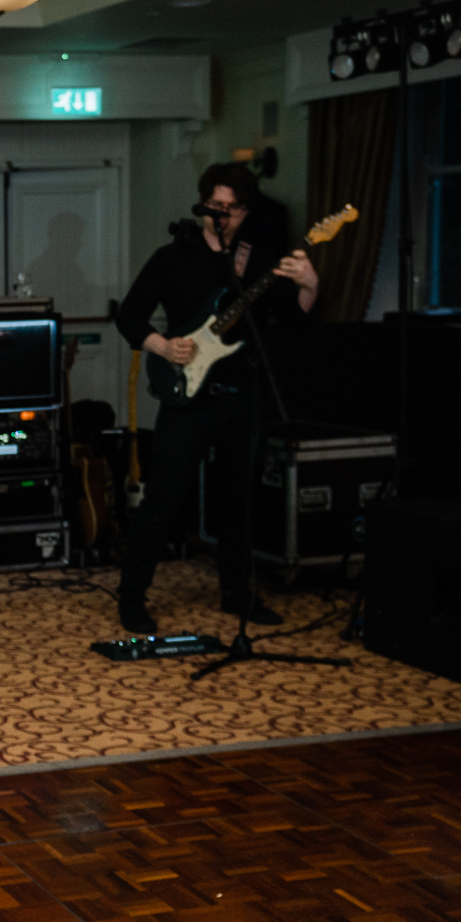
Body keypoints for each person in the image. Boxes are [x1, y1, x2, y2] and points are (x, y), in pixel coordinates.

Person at [113, 162, 319, 634]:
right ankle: (131, 597)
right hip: (187, 397)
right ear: (204, 203)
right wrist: (163, 346)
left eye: (234, 209)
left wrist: (309, 283)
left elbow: (295, 319)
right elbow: (129, 317)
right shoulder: (171, 257)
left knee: (239, 502)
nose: (223, 216)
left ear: (246, 211)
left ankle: (237, 594)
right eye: (216, 207)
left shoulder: (259, 257)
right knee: (164, 499)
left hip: (243, 393)